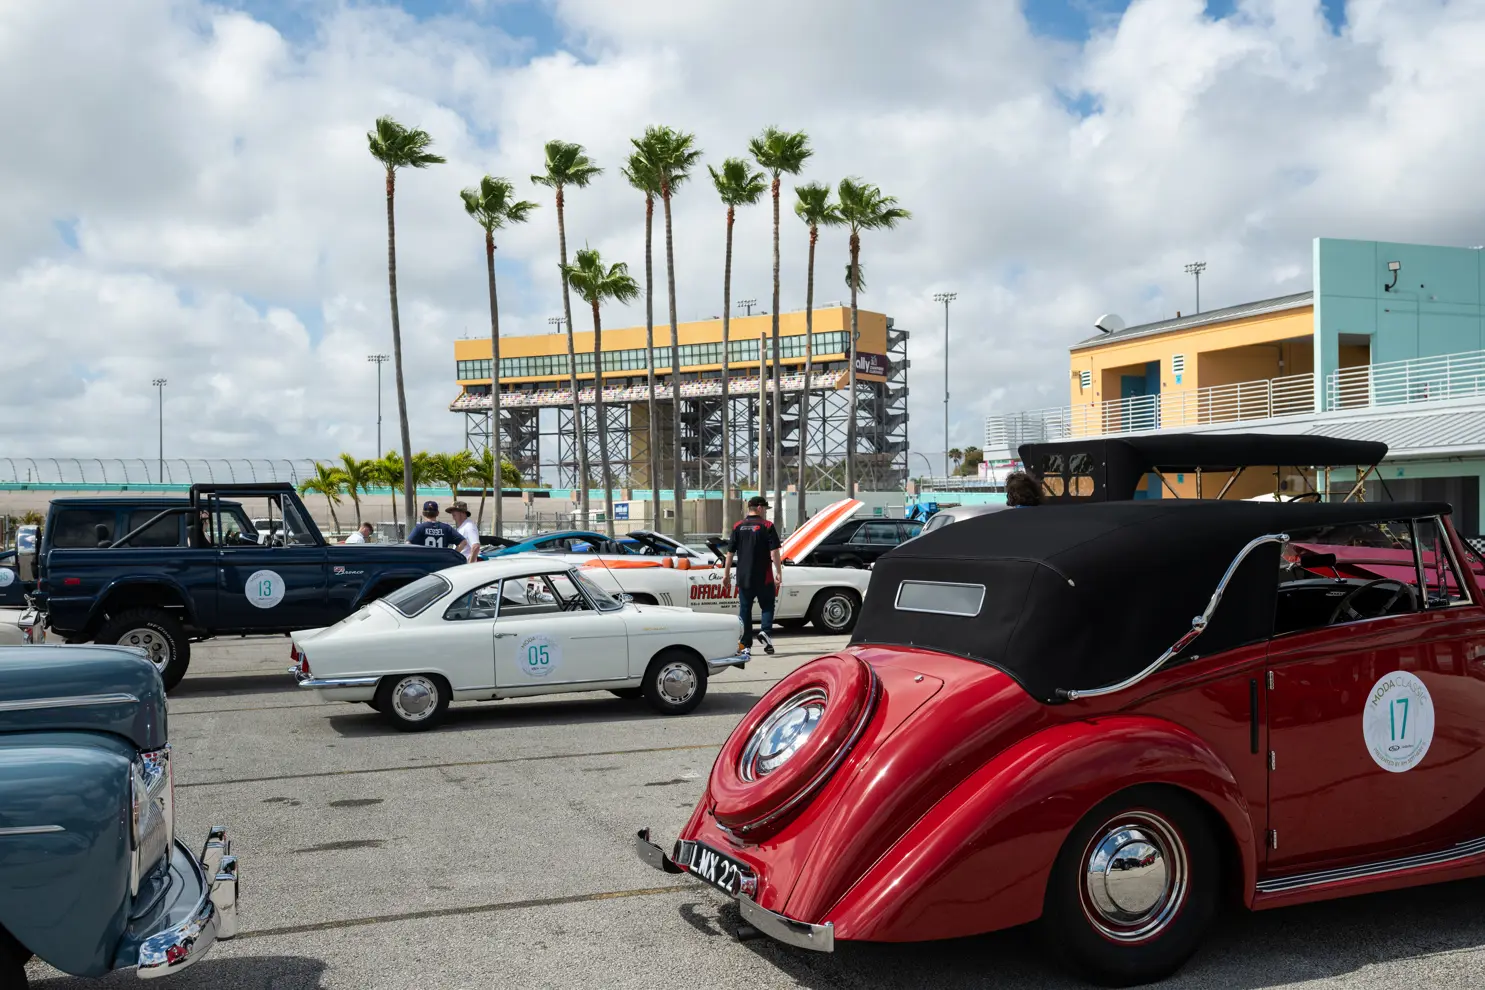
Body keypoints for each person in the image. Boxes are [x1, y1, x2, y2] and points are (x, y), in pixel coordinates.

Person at [721, 496, 783, 657]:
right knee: (768, 606)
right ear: (760, 508)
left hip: (744, 576)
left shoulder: (738, 526)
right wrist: (779, 572)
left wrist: (726, 574)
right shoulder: (767, 526)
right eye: (765, 509)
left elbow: (729, 553)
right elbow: (774, 552)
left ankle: (746, 645)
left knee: (745, 610)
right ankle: (765, 632)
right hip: (764, 576)